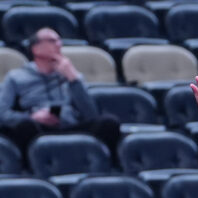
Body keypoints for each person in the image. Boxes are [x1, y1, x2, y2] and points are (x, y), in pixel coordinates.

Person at [0, 28, 119, 156]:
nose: (59, 44)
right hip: (39, 127)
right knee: (24, 126)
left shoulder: (71, 74)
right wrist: (31, 117)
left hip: (71, 126)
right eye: (52, 41)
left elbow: (91, 114)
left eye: (59, 41)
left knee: (109, 123)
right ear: (35, 48)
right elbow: (2, 113)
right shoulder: (16, 77)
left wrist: (73, 79)